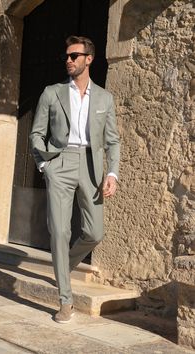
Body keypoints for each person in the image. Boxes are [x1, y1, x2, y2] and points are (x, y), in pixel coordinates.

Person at [30, 35, 120, 323]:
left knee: (94, 233)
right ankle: (64, 300)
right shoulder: (52, 92)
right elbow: (36, 133)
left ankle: (63, 266)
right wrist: (44, 164)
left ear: (88, 59)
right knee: (59, 230)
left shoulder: (105, 98)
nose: (68, 60)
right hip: (60, 162)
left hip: (91, 165)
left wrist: (112, 173)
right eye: (67, 56)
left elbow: (113, 140)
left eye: (75, 56)